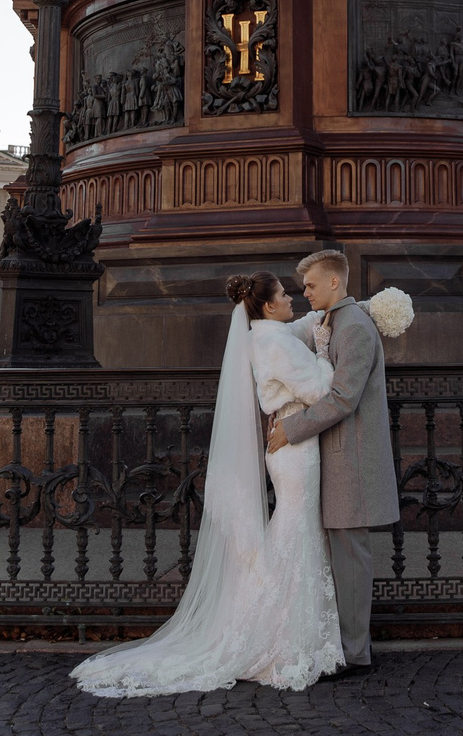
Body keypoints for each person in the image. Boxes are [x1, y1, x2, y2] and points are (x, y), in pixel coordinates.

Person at [71, 271, 345, 696]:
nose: (294, 299)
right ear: (269, 305)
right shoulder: (274, 341)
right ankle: (280, 633)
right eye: (285, 294)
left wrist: (332, 314)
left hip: (288, 446)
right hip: (296, 447)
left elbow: (297, 327)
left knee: (294, 529)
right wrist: (326, 354)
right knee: (297, 530)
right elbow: (317, 389)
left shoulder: (262, 334)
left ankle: (283, 623)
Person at [267, 249, 398, 677]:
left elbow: (344, 396)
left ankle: (357, 653)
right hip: (337, 455)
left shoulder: (354, 326)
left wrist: (293, 428)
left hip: (352, 458)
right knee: (341, 553)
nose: (304, 292)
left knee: (351, 554)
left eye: (310, 285)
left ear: (335, 283)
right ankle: (342, 646)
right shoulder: (333, 321)